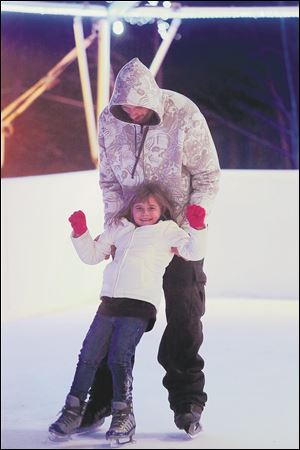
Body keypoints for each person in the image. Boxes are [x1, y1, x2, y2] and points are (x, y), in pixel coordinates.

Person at [80, 57, 221, 436]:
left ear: (153, 99)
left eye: (139, 106)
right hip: (131, 234)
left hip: (177, 234)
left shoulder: (183, 113)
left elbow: (208, 174)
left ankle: (188, 402)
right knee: (116, 319)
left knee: (185, 315)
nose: (133, 111)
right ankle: (102, 403)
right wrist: (112, 227)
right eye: (126, 106)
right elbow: (109, 179)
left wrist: (193, 222)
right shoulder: (110, 120)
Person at [49, 182, 207, 443]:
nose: (145, 213)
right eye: (139, 207)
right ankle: (72, 410)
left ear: (162, 209)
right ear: (131, 209)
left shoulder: (167, 231)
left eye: (152, 208)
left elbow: (193, 251)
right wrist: (81, 233)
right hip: (109, 303)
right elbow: (93, 255)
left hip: (139, 305)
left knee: (119, 358)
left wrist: (198, 227)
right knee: (88, 355)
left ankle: (124, 415)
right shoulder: (118, 228)